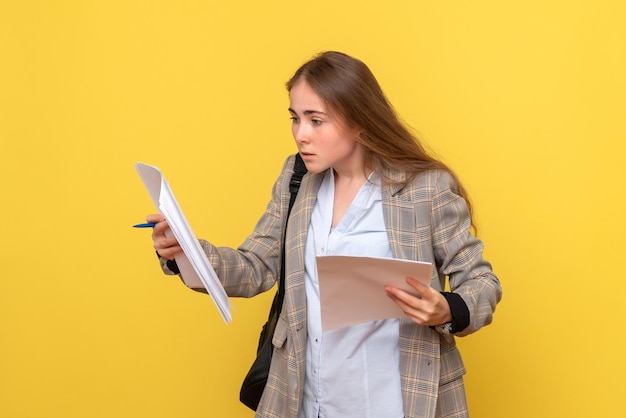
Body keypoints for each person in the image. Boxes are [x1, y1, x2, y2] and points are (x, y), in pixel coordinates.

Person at [147, 51, 502, 418]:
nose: (301, 134)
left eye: (316, 120)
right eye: (296, 118)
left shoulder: (425, 188)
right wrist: (184, 251)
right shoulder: (296, 178)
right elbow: (256, 265)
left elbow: (480, 281)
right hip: (306, 400)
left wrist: (447, 309)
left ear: (360, 121)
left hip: (394, 401)